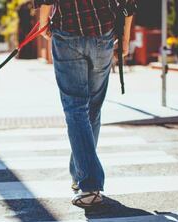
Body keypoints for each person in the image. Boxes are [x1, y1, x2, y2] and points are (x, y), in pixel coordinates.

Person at [33, 0, 137, 208]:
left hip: (67, 35)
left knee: (76, 108)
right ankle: (80, 173)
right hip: (103, 34)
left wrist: (44, 24)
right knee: (92, 109)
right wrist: (125, 39)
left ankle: (89, 185)